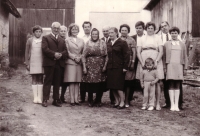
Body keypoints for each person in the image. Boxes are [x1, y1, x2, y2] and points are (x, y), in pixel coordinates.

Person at [136, 22, 164, 110]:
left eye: (152, 28)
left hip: (155, 57)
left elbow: (161, 51)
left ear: (154, 29)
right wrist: (142, 62)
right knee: (145, 81)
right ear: (146, 29)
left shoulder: (158, 37)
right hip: (144, 58)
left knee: (157, 81)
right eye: (148, 28)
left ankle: (157, 103)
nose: (150, 30)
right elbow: (138, 52)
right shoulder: (142, 38)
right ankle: (146, 103)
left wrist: (156, 61)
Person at [42, 22, 68, 107]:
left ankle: (56, 99)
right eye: (54, 28)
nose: (56, 29)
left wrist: (60, 55)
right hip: (49, 63)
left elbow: (65, 51)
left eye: (58, 28)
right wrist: (54, 54)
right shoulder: (45, 38)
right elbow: (45, 49)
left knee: (57, 82)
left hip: (59, 64)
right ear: (51, 28)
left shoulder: (62, 39)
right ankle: (45, 99)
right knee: (47, 81)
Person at [159, 21, 183, 110]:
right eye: (162, 27)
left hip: (177, 65)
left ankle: (179, 103)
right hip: (168, 63)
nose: (164, 28)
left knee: (177, 84)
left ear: (168, 26)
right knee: (167, 84)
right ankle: (168, 102)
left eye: (165, 26)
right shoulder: (161, 38)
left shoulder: (179, 39)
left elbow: (182, 52)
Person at [163, 27, 188, 111]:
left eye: (175, 33)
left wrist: (185, 68)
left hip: (179, 66)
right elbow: (164, 57)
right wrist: (164, 67)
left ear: (178, 34)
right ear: (170, 34)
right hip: (170, 65)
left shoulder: (182, 44)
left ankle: (177, 105)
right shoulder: (166, 44)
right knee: (170, 84)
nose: (174, 34)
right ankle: (172, 105)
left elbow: (185, 57)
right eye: (172, 33)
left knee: (177, 84)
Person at [82, 28, 107, 107]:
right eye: (93, 34)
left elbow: (106, 56)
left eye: (96, 34)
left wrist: (105, 66)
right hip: (90, 66)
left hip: (100, 66)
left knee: (100, 84)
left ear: (98, 35)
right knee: (90, 84)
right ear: (91, 35)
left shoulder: (103, 42)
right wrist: (84, 67)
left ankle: (98, 100)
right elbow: (83, 56)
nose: (94, 35)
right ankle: (90, 100)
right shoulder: (87, 43)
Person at [107, 27, 130, 109]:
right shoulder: (109, 42)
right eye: (109, 33)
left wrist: (125, 67)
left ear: (116, 33)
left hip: (119, 67)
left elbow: (127, 56)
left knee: (118, 86)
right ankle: (117, 101)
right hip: (110, 67)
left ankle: (122, 102)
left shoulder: (122, 42)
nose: (110, 34)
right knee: (112, 85)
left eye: (112, 32)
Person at [64, 23, 84, 106]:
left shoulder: (81, 40)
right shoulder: (67, 40)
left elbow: (84, 51)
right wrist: (74, 58)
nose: (75, 31)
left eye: (76, 29)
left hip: (79, 63)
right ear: (70, 31)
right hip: (71, 62)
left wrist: (80, 58)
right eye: (73, 29)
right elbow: (67, 51)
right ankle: (72, 99)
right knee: (72, 81)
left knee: (77, 81)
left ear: (78, 31)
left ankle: (76, 99)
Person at [25, 25, 43, 104]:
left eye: (39, 32)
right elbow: (26, 52)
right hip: (33, 62)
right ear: (33, 32)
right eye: (36, 32)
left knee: (40, 79)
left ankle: (39, 97)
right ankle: (35, 97)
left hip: (41, 62)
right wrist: (27, 63)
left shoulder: (43, 40)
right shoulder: (30, 40)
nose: (38, 33)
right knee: (34, 79)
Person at [119, 24, 136, 108]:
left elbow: (134, 52)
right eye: (122, 30)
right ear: (120, 31)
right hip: (120, 63)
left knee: (128, 82)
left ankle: (127, 100)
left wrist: (133, 62)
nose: (124, 32)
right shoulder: (118, 39)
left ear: (128, 31)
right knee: (121, 82)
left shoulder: (131, 40)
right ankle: (120, 100)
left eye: (125, 30)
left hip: (129, 62)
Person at [130, 21, 146, 100]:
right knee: (133, 78)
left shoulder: (146, 37)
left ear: (143, 29)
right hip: (134, 60)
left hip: (144, 60)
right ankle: (130, 97)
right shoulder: (132, 38)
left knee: (144, 77)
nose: (138, 30)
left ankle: (145, 97)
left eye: (140, 28)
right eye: (137, 28)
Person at [101, 26, 115, 104]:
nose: (106, 32)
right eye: (104, 31)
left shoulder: (112, 40)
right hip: (102, 63)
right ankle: (99, 98)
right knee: (102, 81)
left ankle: (112, 99)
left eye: (107, 31)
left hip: (111, 63)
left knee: (111, 81)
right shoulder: (101, 40)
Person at [80, 21, 92, 103]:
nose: (87, 28)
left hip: (92, 62)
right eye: (85, 27)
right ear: (83, 28)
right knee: (83, 79)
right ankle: (82, 97)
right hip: (83, 61)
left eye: (88, 26)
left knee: (91, 79)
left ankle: (90, 97)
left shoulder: (94, 37)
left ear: (90, 27)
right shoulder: (81, 38)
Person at [59, 25, 69, 103]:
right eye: (61, 31)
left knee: (65, 81)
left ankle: (62, 96)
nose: (63, 32)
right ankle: (57, 95)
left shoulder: (68, 40)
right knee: (58, 80)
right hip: (59, 62)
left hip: (67, 62)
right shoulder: (57, 39)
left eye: (64, 31)